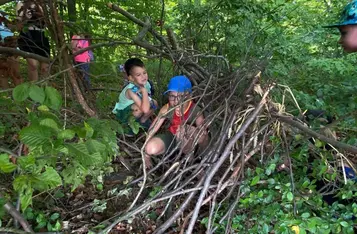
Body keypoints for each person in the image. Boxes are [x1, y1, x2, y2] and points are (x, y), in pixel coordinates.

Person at [144, 75, 209, 168]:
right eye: (172, 96)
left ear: (189, 96)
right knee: (151, 148)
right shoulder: (167, 108)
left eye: (181, 96)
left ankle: (193, 160)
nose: (176, 101)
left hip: (192, 142)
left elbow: (204, 135)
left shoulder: (195, 109)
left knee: (183, 130)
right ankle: (181, 157)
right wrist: (146, 155)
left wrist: (191, 131)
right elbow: (153, 129)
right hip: (173, 139)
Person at [112, 58, 157, 134]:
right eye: (138, 75)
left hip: (135, 110)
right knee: (139, 108)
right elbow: (145, 109)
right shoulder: (130, 90)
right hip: (124, 114)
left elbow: (148, 100)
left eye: (144, 73)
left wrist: (152, 108)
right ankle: (128, 128)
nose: (143, 76)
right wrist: (144, 92)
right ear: (131, 78)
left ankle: (143, 121)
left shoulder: (146, 84)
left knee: (154, 103)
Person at [16, 0, 50, 82]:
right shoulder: (21, 3)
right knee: (33, 65)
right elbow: (19, 22)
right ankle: (34, 90)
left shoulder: (44, 4)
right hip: (28, 34)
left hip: (41, 34)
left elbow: (48, 21)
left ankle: (45, 88)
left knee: (45, 66)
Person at [0, 11, 23, 88]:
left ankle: (21, 96)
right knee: (2, 73)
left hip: (11, 46)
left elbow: (14, 27)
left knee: (15, 72)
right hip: (1, 47)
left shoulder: (3, 14)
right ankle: (6, 97)